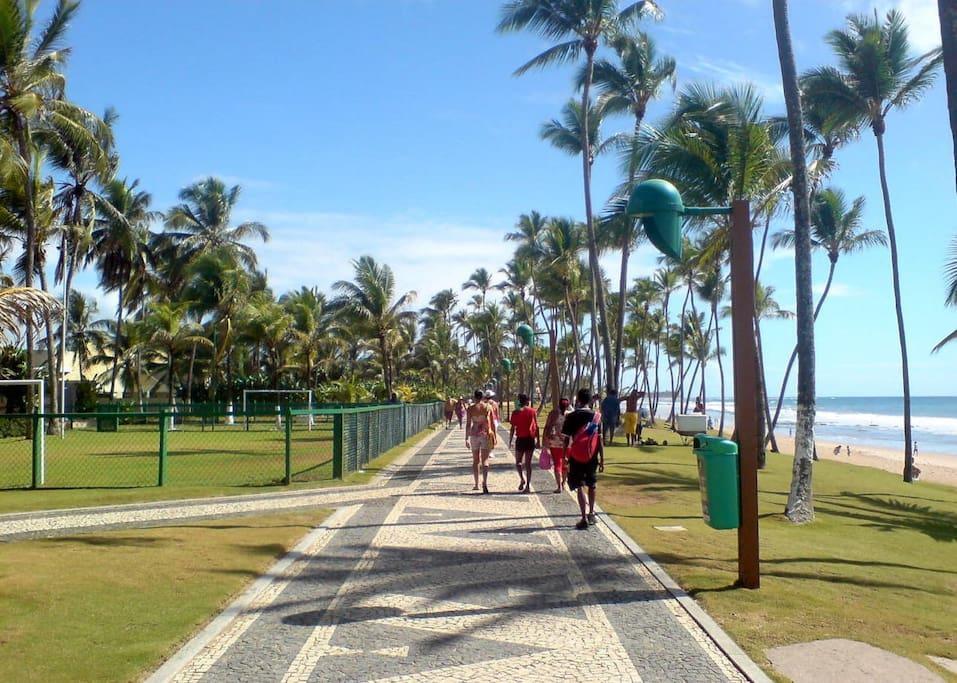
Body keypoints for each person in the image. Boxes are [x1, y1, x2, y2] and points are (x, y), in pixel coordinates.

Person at [563, 388, 604, 530]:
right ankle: (591, 512)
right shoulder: (596, 416)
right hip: (592, 455)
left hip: (576, 455)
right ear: (590, 400)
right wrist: (602, 459)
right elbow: (599, 440)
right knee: (592, 484)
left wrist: (564, 457)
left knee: (579, 486)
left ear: (579, 400)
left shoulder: (572, 416)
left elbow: (566, 440)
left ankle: (583, 517)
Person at [508, 393, 540, 493]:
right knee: (528, 463)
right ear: (527, 401)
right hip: (530, 439)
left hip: (520, 439)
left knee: (518, 462)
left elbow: (513, 428)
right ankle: (527, 485)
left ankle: (522, 479)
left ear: (519, 401)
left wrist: (510, 441)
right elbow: (537, 426)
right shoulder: (532, 411)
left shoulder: (515, 413)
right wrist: (538, 441)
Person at [465, 390, 494, 493]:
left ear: (474, 397)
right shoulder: (487, 407)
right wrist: (493, 435)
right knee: (485, 460)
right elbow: (491, 422)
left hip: (474, 434)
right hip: (484, 434)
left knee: (475, 460)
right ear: (482, 397)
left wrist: (466, 438)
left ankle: (476, 484)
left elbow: (468, 424)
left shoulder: (470, 409)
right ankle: (485, 482)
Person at [543, 397, 572, 492]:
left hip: (555, 442)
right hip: (568, 443)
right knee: (565, 464)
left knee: (557, 464)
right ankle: (563, 483)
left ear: (559, 404)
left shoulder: (553, 413)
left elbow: (547, 426)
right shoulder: (571, 414)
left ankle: (559, 486)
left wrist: (545, 440)